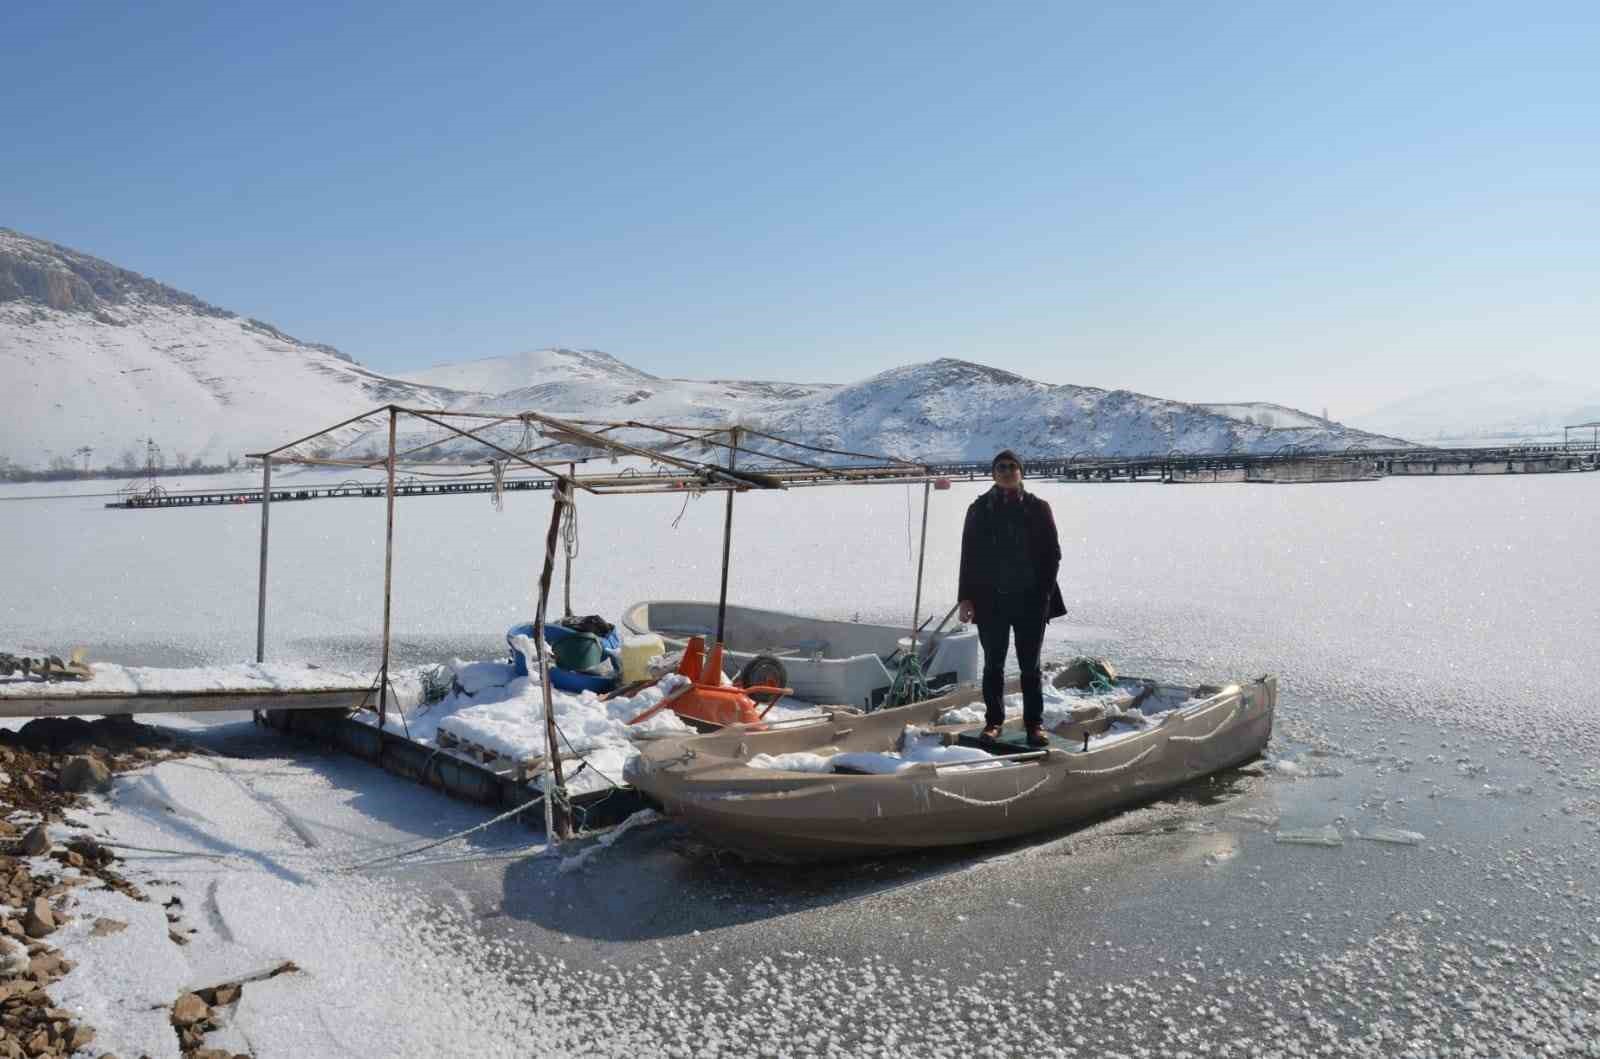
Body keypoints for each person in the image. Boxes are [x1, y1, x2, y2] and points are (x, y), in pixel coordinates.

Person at [957, 449, 1066, 747]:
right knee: (993, 664)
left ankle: (1035, 725)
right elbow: (969, 557)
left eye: (1012, 467)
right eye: (1001, 467)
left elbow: (1052, 555)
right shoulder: (978, 509)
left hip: (1030, 600)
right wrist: (965, 599)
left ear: (1021, 472)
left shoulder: (1038, 508)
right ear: (993, 474)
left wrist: (1043, 595)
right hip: (990, 601)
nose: (1006, 471)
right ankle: (993, 722)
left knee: (1030, 666)